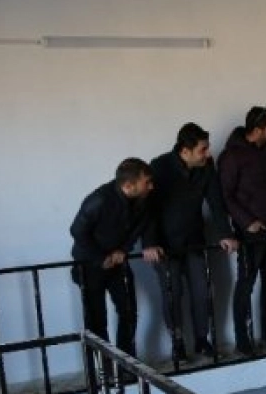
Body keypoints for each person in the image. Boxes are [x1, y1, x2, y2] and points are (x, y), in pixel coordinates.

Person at [147, 123, 238, 362]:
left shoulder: (205, 166)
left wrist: (225, 233)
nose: (207, 154)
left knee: (202, 291)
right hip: (165, 246)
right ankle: (177, 344)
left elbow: (216, 202)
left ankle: (201, 340)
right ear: (185, 151)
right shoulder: (159, 167)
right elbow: (147, 210)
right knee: (172, 293)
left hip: (194, 241)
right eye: (202, 150)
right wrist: (150, 243)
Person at [69, 158, 160, 371]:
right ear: (128, 185)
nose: (151, 186)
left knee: (128, 311)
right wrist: (101, 258)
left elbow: (142, 226)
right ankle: (106, 369)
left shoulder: (143, 199)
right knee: (96, 320)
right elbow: (77, 231)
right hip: (89, 265)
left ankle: (126, 365)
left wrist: (123, 250)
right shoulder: (99, 200)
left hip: (117, 263)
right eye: (147, 182)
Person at [219, 106, 266, 356]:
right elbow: (226, 195)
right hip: (249, 233)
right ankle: (243, 339)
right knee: (246, 285)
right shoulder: (232, 156)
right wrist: (248, 222)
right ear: (258, 129)